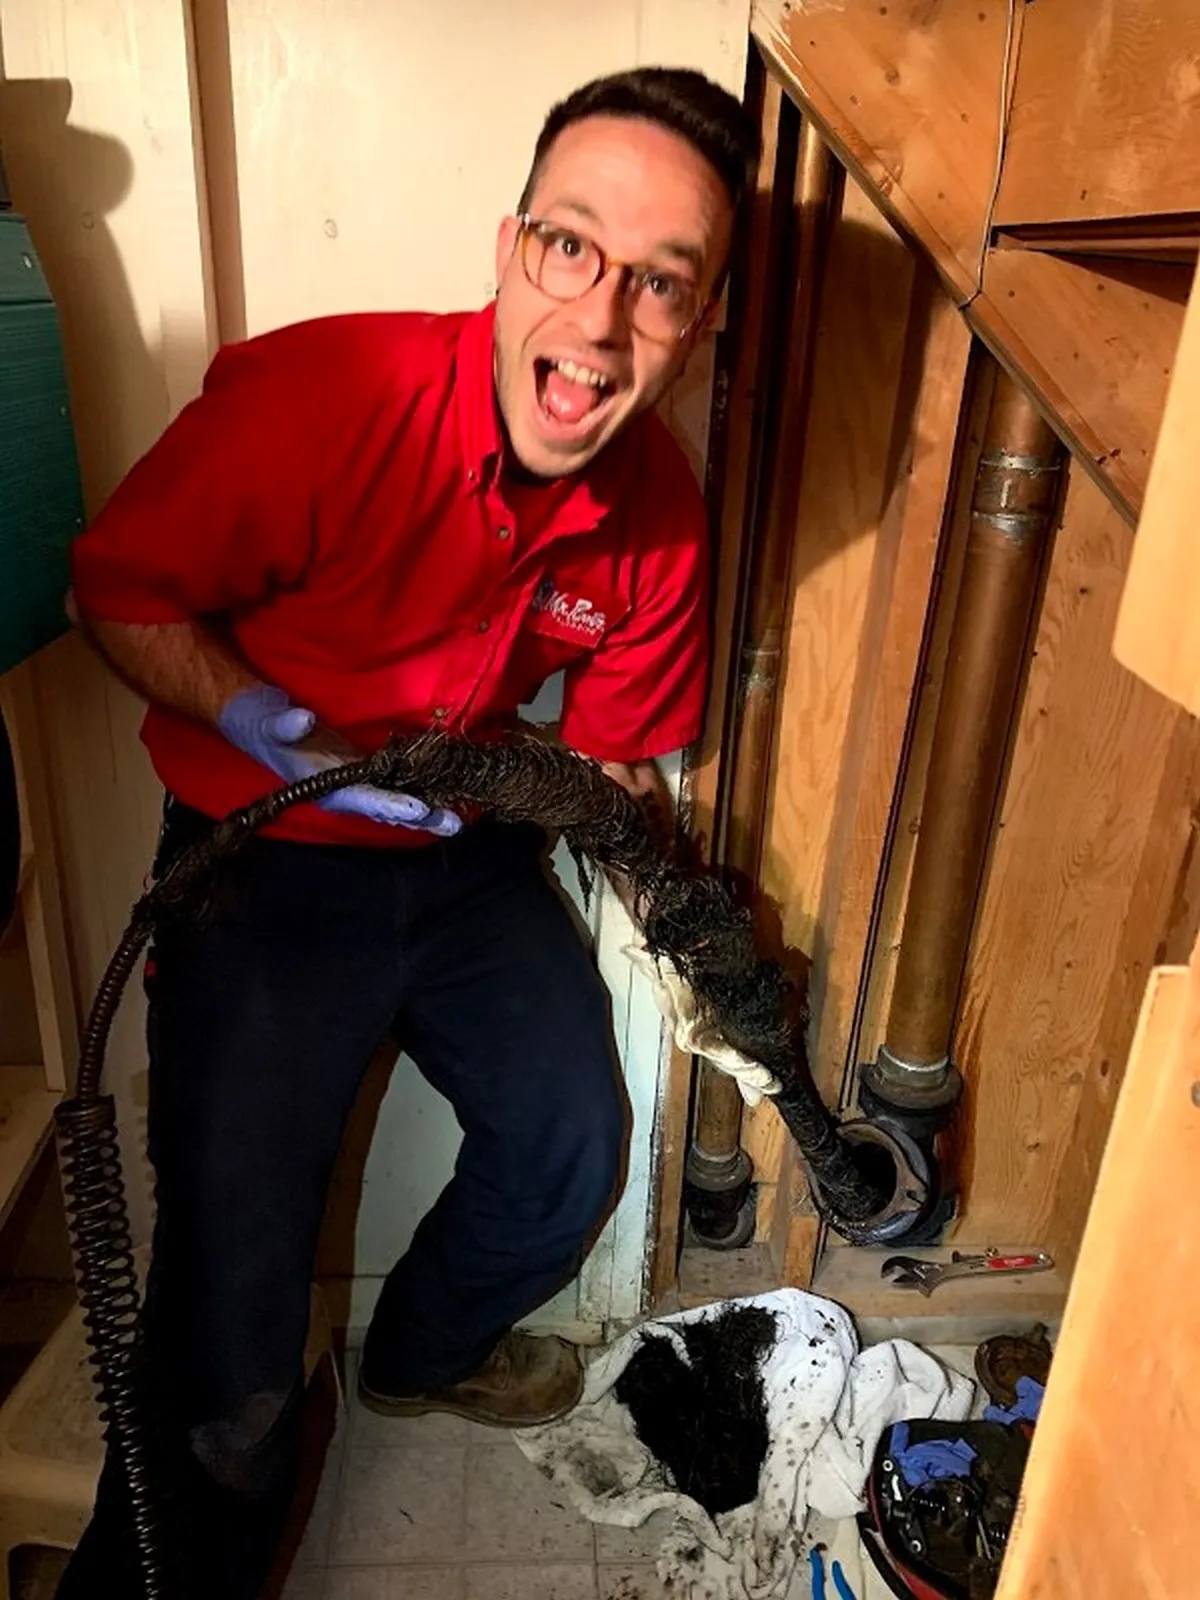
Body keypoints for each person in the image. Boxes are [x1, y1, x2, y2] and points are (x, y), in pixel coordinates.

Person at [59, 66, 760, 1598]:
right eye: (572, 249)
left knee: (573, 1138)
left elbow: (615, 747)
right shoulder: (323, 402)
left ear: (700, 324)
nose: (598, 322)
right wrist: (263, 722)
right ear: (509, 249)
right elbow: (114, 589)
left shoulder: (662, 510)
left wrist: (689, 919)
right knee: (228, 1322)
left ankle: (421, 1351)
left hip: (466, 851)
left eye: (661, 283)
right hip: (263, 859)